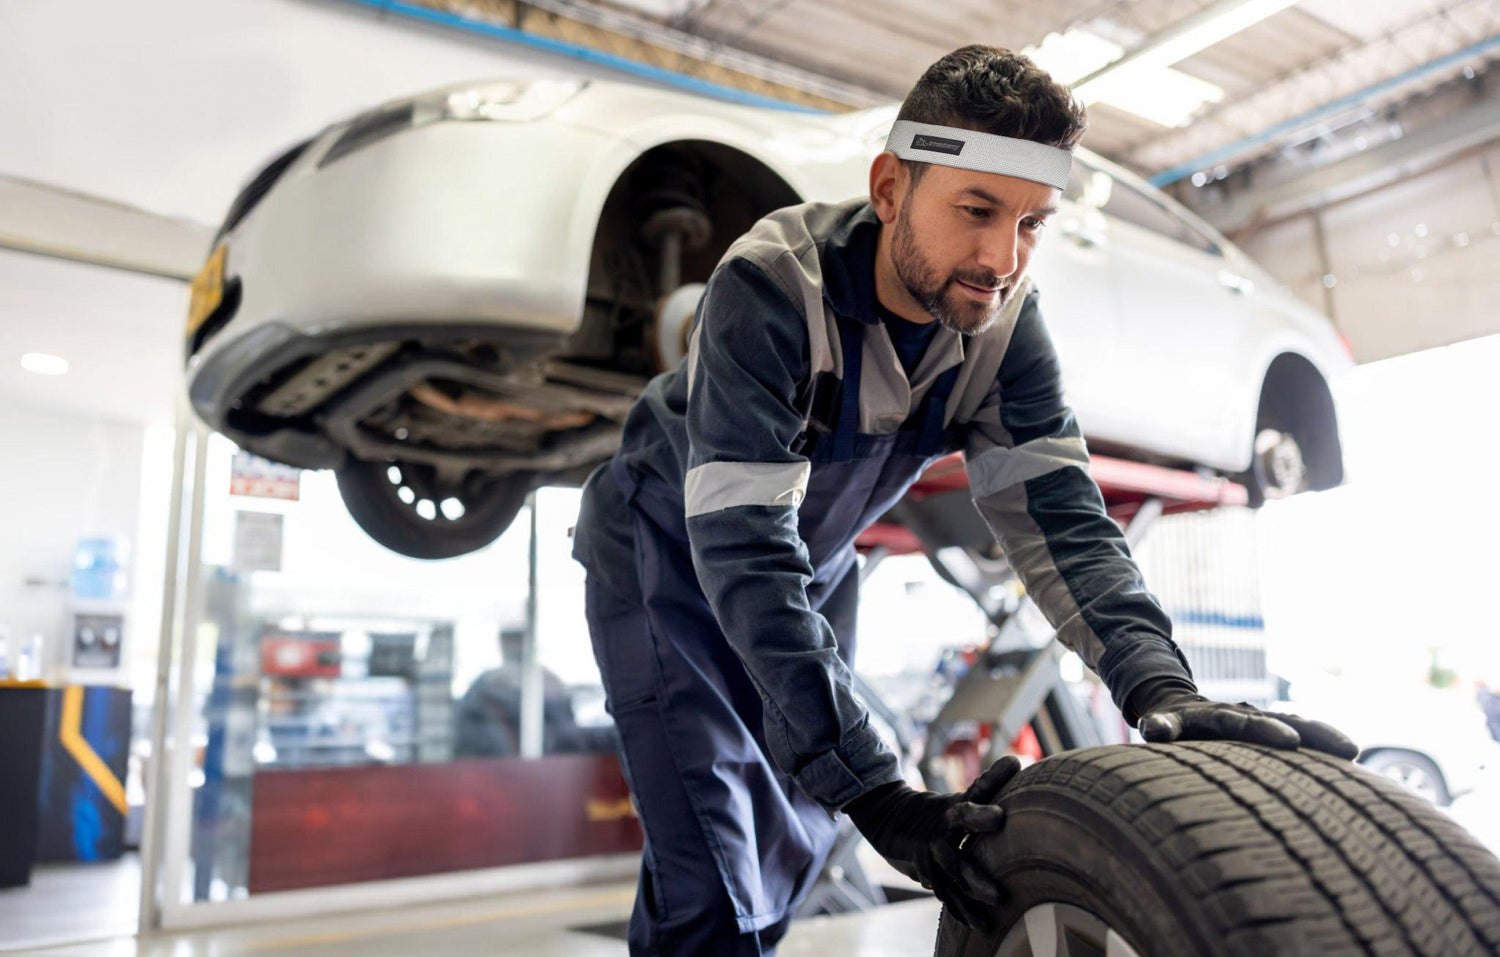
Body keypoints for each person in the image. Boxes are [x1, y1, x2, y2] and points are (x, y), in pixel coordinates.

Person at [571, 44, 1358, 955]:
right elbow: (743, 546)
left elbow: (1064, 523)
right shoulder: (774, 286)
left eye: (1031, 223)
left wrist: (1159, 681)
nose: (1001, 258)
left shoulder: (1003, 328)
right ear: (889, 189)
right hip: (663, 558)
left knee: (791, 846)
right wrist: (881, 792)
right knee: (715, 869)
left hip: (810, 568)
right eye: (976, 210)